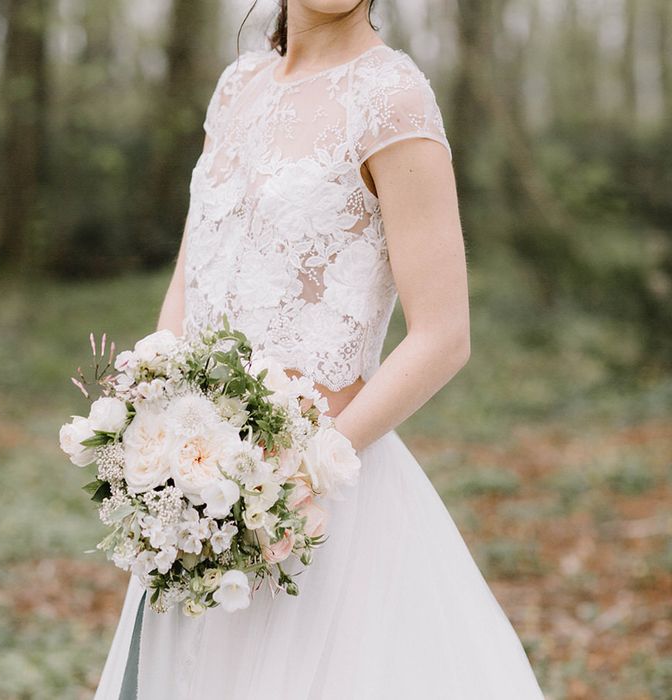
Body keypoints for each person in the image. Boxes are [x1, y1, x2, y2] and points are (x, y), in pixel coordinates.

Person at [94, 1, 547, 697]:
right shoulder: (236, 87)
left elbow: (443, 336)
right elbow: (193, 276)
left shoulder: (393, 98)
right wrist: (155, 420)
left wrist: (302, 469)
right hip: (199, 497)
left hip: (323, 504)